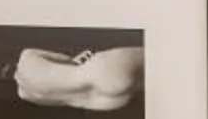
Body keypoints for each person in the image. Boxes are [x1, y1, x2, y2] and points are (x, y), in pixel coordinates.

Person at [8, 42, 143, 111]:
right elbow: (66, 60)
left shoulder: (25, 94)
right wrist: (78, 59)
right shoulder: (27, 56)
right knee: (160, 58)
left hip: (103, 102)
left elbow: (61, 100)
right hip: (99, 71)